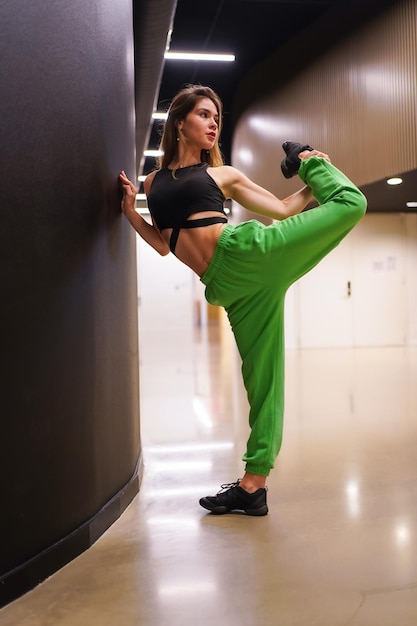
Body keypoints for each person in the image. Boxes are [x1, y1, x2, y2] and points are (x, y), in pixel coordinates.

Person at [119, 84, 367, 516]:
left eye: (217, 116)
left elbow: (284, 210)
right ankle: (254, 488)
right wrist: (130, 212)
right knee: (263, 381)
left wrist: (310, 174)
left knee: (351, 202)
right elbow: (163, 245)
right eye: (204, 114)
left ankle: (306, 158)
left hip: (248, 253)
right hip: (231, 289)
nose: (214, 122)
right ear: (180, 123)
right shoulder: (152, 182)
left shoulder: (223, 175)